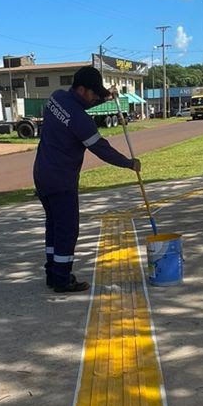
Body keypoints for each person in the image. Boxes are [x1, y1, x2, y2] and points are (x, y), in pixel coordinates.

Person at [32, 67, 141, 292]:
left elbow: (79, 106)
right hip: (62, 181)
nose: (94, 98)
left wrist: (107, 96)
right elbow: (102, 149)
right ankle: (62, 279)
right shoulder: (82, 121)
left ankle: (52, 273)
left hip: (42, 175)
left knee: (53, 226)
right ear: (82, 89)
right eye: (93, 93)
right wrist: (129, 163)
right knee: (67, 230)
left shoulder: (56, 98)